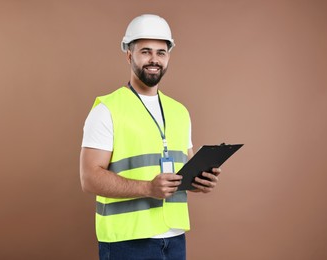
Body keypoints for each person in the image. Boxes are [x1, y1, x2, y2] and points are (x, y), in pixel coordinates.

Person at [80, 14, 221, 260]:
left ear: (168, 57)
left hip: (174, 237)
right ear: (129, 55)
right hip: (126, 241)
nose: (154, 59)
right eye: (145, 51)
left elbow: (184, 168)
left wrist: (200, 181)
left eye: (161, 52)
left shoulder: (179, 111)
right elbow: (89, 178)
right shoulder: (107, 109)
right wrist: (147, 188)